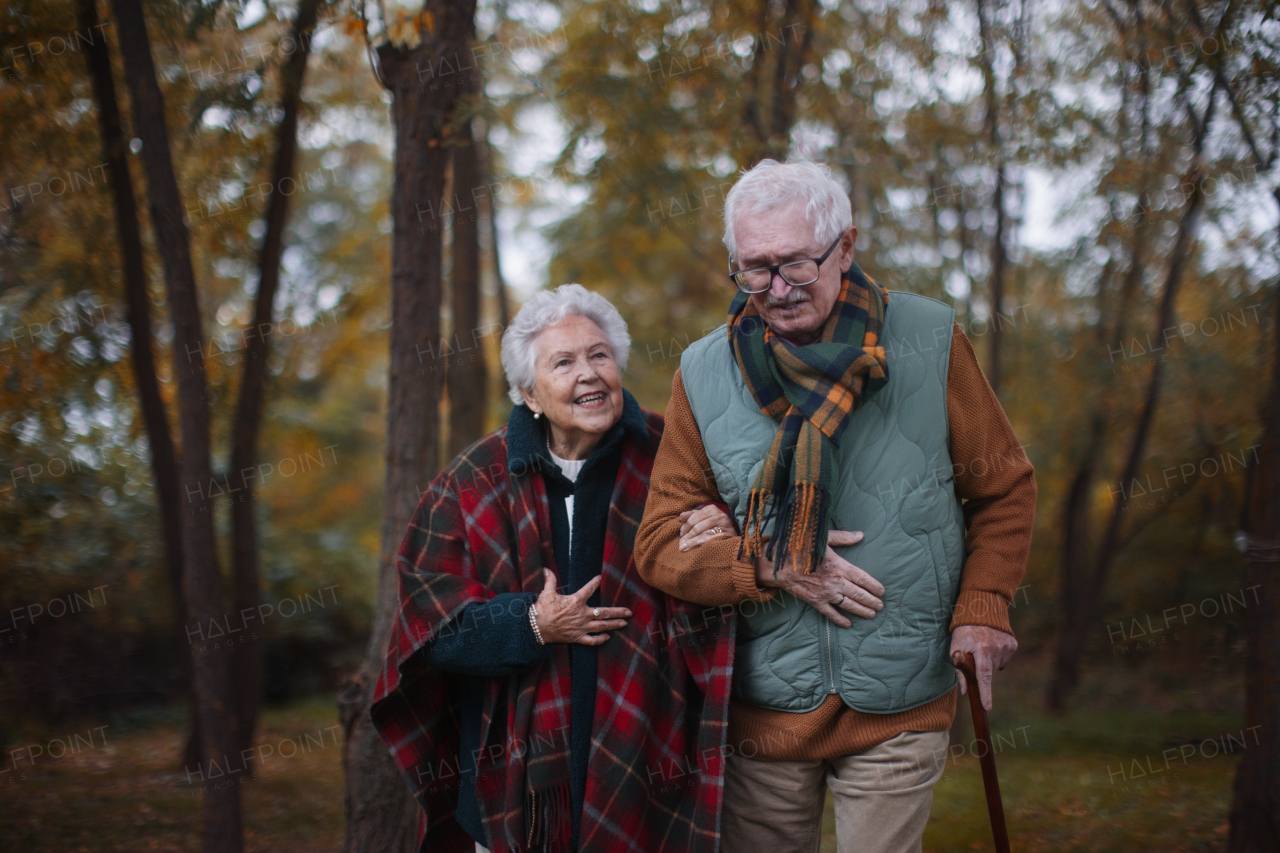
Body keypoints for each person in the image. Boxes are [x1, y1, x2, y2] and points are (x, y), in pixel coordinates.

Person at [634, 160, 1037, 853]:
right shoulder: (703, 372)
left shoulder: (930, 337)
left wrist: (984, 606)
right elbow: (659, 543)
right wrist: (768, 562)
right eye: (754, 268)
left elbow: (1002, 489)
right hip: (764, 704)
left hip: (901, 697)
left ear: (845, 247)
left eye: (795, 263)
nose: (777, 288)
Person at [370, 284, 738, 853]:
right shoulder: (473, 480)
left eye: (599, 355)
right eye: (563, 362)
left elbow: (724, 571)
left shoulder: (673, 453)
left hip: (649, 755)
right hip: (513, 783)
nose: (588, 373)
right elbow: (431, 628)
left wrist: (718, 527)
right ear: (528, 394)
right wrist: (532, 625)